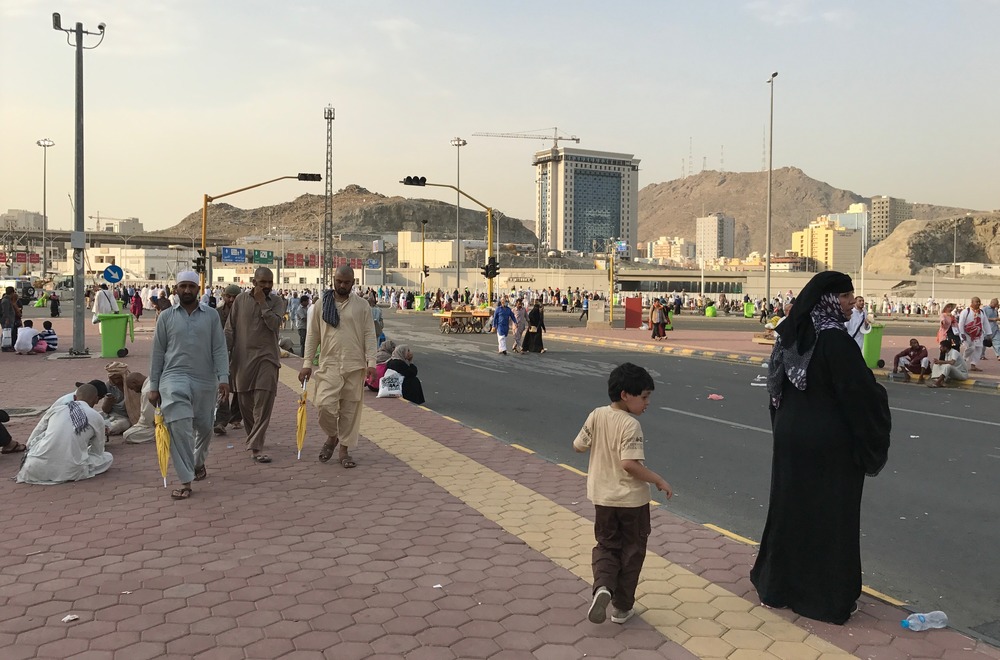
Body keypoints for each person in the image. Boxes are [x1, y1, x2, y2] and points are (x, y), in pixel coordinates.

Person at [752, 271, 890, 625]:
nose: (851, 303)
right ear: (828, 299)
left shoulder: (791, 332)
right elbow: (858, 395)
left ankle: (777, 587)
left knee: (790, 508)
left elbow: (776, 387)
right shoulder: (834, 340)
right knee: (828, 517)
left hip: (791, 437)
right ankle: (822, 598)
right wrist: (878, 397)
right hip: (829, 445)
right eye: (845, 297)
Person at [573, 362, 672, 625]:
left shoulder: (596, 414)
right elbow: (629, 463)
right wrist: (658, 480)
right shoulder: (630, 424)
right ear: (625, 395)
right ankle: (621, 608)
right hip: (632, 502)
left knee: (607, 545)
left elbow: (578, 445)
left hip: (603, 499)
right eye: (644, 397)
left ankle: (603, 587)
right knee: (632, 552)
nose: (647, 403)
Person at [148, 271, 230, 500]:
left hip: (205, 380)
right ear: (176, 289)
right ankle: (186, 481)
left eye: (191, 286)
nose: (186, 290)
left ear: (197, 289)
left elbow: (219, 348)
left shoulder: (211, 315)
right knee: (180, 428)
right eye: (182, 286)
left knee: (204, 427)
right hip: (173, 379)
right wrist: (154, 385)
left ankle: (198, 462)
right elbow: (157, 353)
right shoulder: (166, 317)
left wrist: (224, 377)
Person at [299, 265, 377, 469]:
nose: (342, 285)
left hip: (354, 365)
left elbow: (369, 334)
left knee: (349, 411)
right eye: (339, 281)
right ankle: (332, 436)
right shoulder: (321, 305)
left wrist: (372, 362)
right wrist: (307, 364)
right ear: (333, 280)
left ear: (353, 283)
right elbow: (312, 335)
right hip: (329, 364)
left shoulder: (362, 306)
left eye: (346, 282)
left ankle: (344, 450)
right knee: (324, 405)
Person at [225, 267, 285, 464]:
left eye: (270, 282)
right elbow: (230, 330)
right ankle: (254, 438)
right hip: (242, 360)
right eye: (262, 282)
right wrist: (223, 358)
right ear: (254, 282)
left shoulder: (277, 301)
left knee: (264, 402)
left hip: (267, 358)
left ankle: (256, 447)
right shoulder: (240, 301)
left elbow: (274, 324)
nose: (267, 286)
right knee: (246, 405)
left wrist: (262, 303)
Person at [16, 383, 113, 485]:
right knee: (107, 457)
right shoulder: (96, 416)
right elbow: (97, 451)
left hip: (34, 468)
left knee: (44, 436)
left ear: (75, 397)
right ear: (96, 400)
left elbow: (35, 434)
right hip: (69, 471)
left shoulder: (56, 410)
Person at [214, 284, 243, 434]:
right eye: (228, 296)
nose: (231, 300)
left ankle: (236, 417)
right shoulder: (216, 314)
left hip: (241, 355)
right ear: (223, 296)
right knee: (222, 385)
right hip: (221, 355)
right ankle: (220, 421)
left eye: (234, 297)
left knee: (240, 388)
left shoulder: (245, 314)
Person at [102, 361, 139, 436]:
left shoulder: (132, 386)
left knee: (119, 425)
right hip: (110, 415)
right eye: (112, 378)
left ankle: (100, 430)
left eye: (118, 378)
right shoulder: (109, 385)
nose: (116, 381)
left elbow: (137, 411)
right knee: (93, 416)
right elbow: (105, 410)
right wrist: (108, 402)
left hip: (125, 418)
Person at [957, 297, 990, 373]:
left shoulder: (982, 312)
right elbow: (961, 323)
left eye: (979, 302)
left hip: (978, 334)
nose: (978, 303)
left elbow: (985, 323)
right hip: (967, 334)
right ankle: (963, 361)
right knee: (970, 348)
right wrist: (962, 333)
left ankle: (973, 365)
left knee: (979, 349)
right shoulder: (966, 311)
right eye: (976, 302)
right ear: (972, 302)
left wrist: (988, 333)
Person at [122, 372, 156, 444]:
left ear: (135, 382)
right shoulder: (151, 380)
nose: (135, 391)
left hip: (159, 423)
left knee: (128, 435)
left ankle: (162, 434)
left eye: (132, 388)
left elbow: (148, 419)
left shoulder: (146, 391)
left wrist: (138, 425)